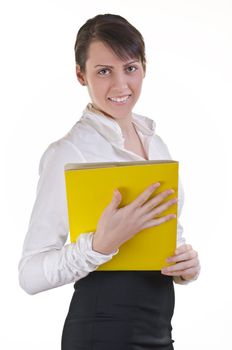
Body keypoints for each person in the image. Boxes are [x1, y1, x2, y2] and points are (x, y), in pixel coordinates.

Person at [18, 13, 200, 350]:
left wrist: (185, 265)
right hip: (101, 334)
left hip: (159, 331)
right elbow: (29, 274)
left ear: (144, 66)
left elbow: (168, 234)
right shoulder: (68, 152)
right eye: (104, 71)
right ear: (80, 74)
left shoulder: (156, 143)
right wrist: (99, 246)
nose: (120, 86)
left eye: (130, 67)